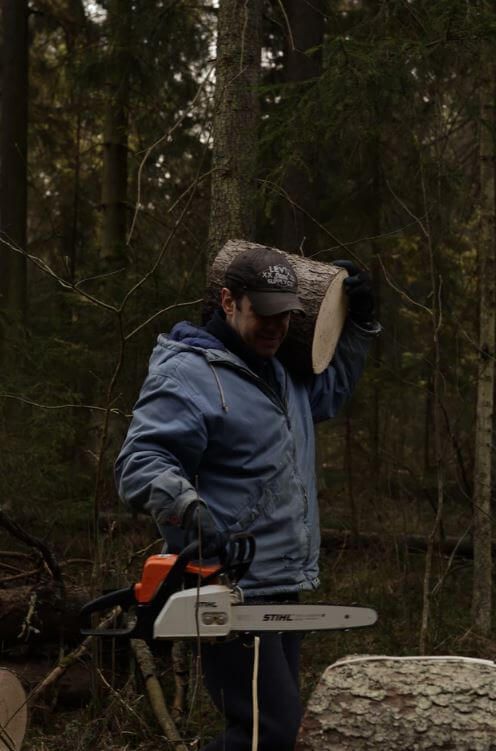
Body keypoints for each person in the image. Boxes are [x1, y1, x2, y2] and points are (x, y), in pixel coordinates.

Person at [115, 247, 380, 750]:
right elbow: (141, 460)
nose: (276, 326)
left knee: (275, 733)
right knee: (270, 732)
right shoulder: (189, 373)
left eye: (285, 315)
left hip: (282, 581)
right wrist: (188, 508)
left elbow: (332, 393)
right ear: (229, 301)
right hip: (230, 589)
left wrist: (360, 327)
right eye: (264, 312)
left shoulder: (282, 372)